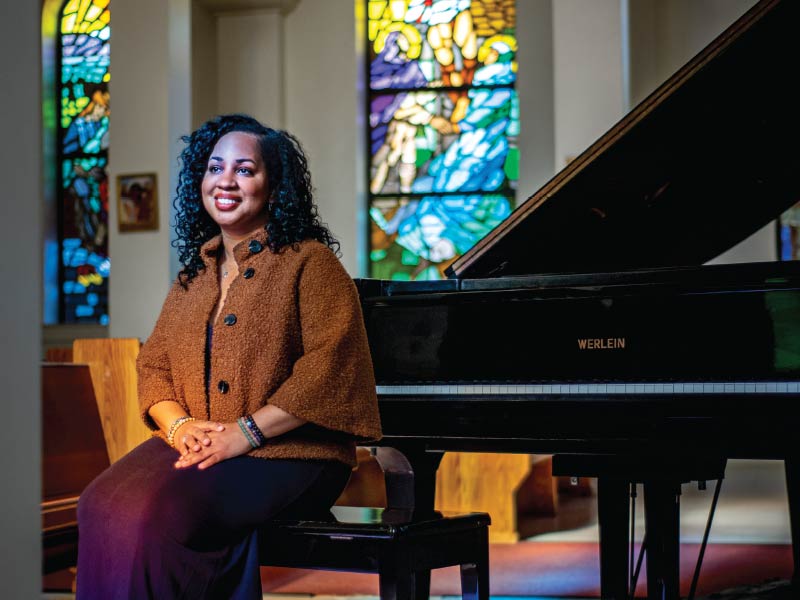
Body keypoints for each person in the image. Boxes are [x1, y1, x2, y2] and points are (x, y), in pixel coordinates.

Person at [76, 114, 383, 599]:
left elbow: (329, 368)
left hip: (293, 454)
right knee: (98, 502)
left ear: (274, 184)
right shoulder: (193, 277)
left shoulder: (310, 262)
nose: (226, 180)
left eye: (245, 169)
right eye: (216, 167)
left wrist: (245, 432)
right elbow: (153, 365)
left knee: (162, 511)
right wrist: (179, 427)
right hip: (198, 445)